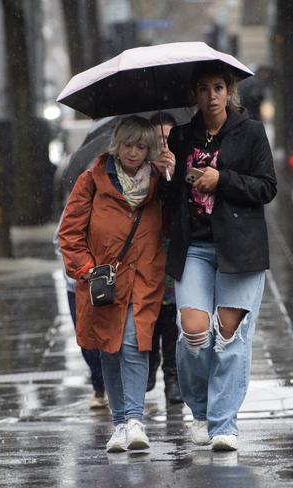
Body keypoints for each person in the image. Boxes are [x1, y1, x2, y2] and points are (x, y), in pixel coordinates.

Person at [163, 61, 277, 451]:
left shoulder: (250, 133)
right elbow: (168, 199)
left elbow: (266, 188)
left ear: (229, 91)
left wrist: (221, 179)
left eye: (217, 88)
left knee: (229, 336)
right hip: (193, 246)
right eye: (202, 89)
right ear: (194, 95)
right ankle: (200, 411)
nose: (210, 96)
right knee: (194, 331)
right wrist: (167, 173)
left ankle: (224, 424)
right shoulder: (180, 137)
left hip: (239, 247)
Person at [58, 115, 173, 453]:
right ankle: (120, 422)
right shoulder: (92, 180)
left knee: (135, 344)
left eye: (141, 146)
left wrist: (171, 173)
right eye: (128, 145)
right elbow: (69, 233)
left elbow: (175, 220)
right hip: (104, 282)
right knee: (109, 348)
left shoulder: (158, 181)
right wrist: (87, 270)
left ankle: (135, 421)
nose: (134, 152)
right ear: (116, 145)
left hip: (144, 278)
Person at [146, 111, 182, 405]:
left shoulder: (183, 164)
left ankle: (172, 375)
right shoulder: (142, 169)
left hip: (173, 246)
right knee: (151, 310)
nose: (165, 144)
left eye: (170, 138)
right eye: (159, 139)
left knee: (170, 312)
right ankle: (151, 362)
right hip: (147, 249)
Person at [53, 220, 107, 410]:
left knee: (112, 336)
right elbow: (61, 240)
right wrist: (81, 266)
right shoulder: (77, 202)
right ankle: (99, 385)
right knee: (86, 339)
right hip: (77, 285)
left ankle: (108, 386)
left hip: (110, 282)